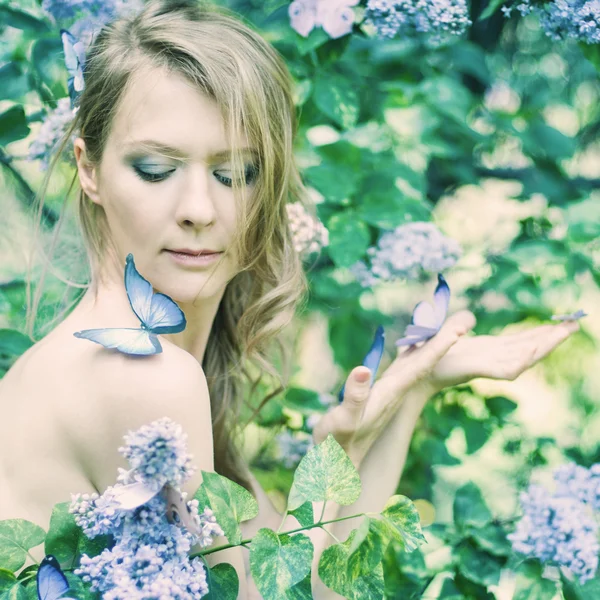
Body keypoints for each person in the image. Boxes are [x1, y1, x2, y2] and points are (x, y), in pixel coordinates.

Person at [0, 0, 580, 598]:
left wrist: (412, 387)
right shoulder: (138, 375)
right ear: (87, 167)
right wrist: (339, 451)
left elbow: (311, 584)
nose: (200, 209)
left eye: (238, 174)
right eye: (154, 169)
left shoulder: (151, 365)